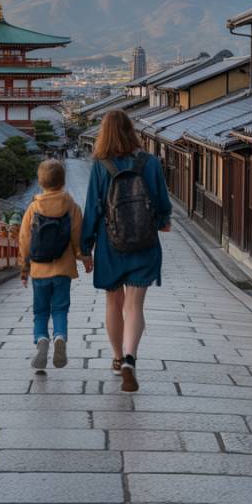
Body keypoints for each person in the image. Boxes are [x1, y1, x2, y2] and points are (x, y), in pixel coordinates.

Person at [81, 110, 171, 392]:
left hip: (110, 243)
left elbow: (93, 209)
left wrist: (86, 247)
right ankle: (132, 357)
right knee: (135, 305)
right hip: (144, 243)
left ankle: (117, 357)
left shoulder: (100, 166)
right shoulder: (150, 162)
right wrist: (161, 222)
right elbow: (162, 202)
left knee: (113, 303)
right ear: (131, 131)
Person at [17, 159, 90, 373]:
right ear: (63, 181)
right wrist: (83, 256)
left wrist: (24, 268)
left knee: (40, 311)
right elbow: (78, 236)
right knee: (60, 309)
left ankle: (41, 341)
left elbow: (24, 239)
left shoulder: (33, 207)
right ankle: (60, 337)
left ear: (41, 182)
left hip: (39, 270)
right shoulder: (72, 206)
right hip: (63, 269)